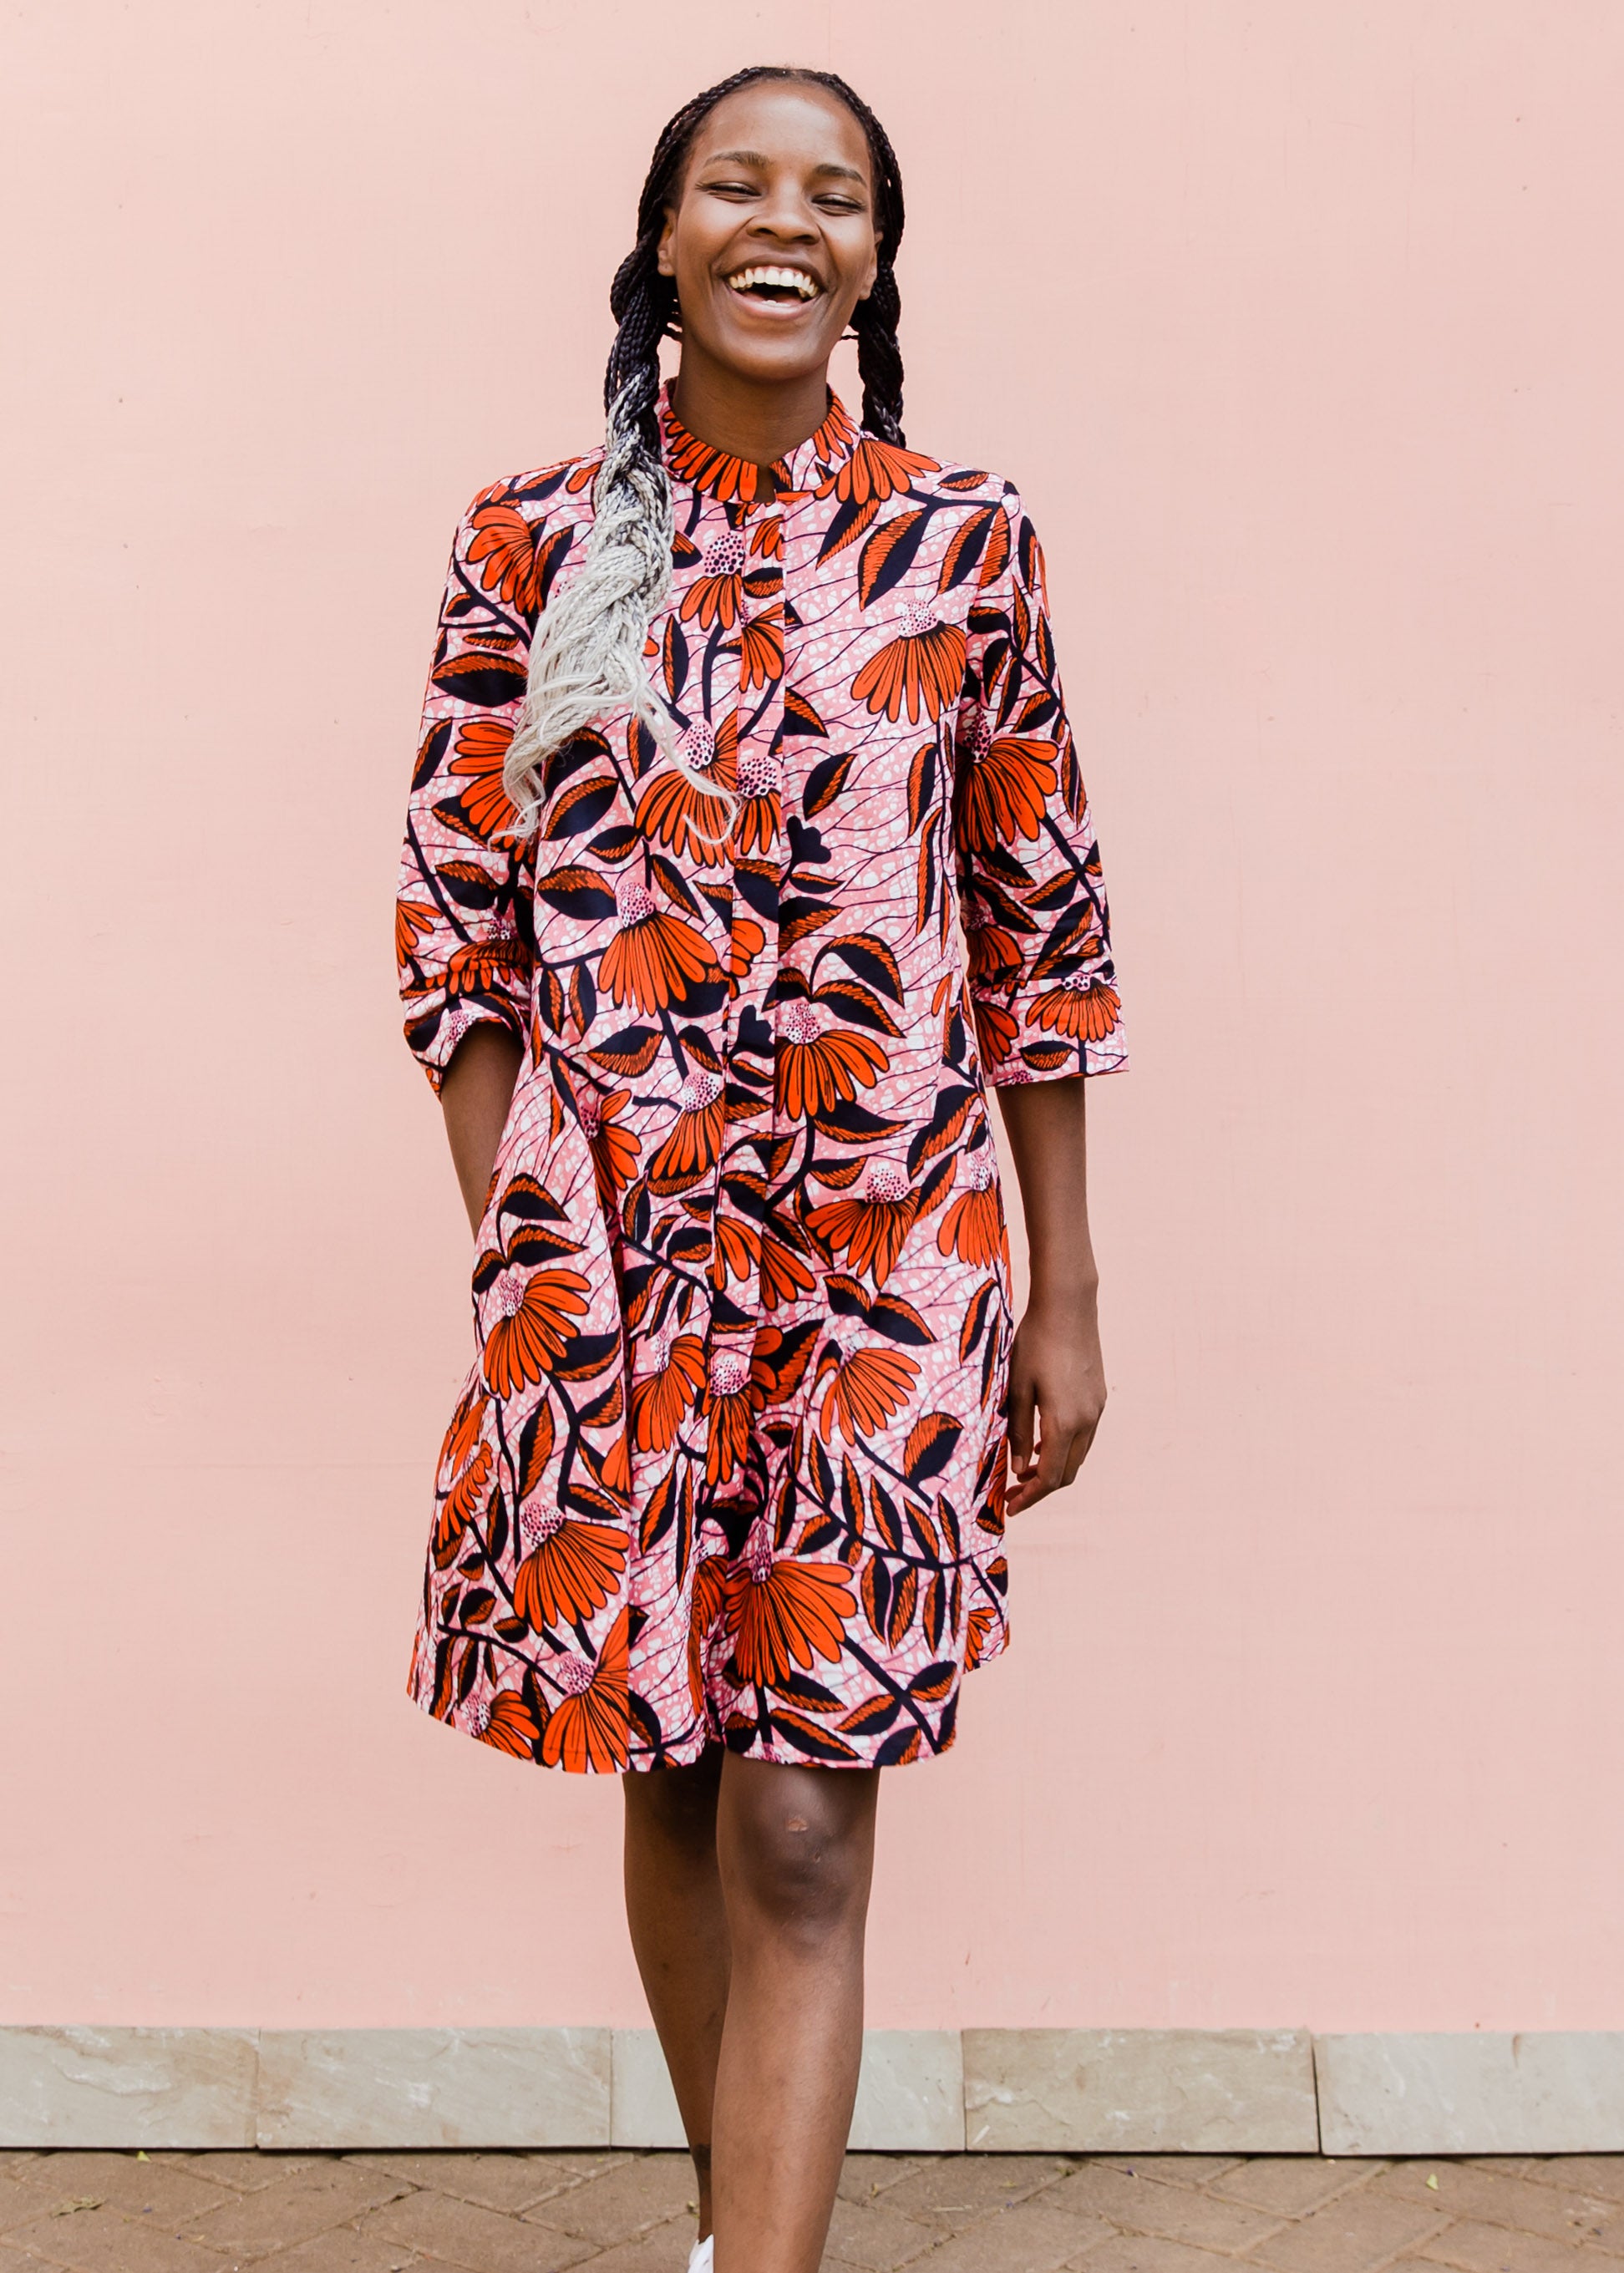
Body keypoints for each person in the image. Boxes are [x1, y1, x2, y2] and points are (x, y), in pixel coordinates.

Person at [393, 63, 1126, 2273]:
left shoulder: (961, 540)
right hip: (611, 1262)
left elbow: (1041, 922)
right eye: (740, 183)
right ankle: (744, 2229)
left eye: (839, 196)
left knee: (806, 1812)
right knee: (681, 1762)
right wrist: (525, 1261)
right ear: (668, 235)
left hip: (888, 1257)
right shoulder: (534, 542)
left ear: (880, 259)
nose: (788, 222)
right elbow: (459, 927)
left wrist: (1065, 1290)